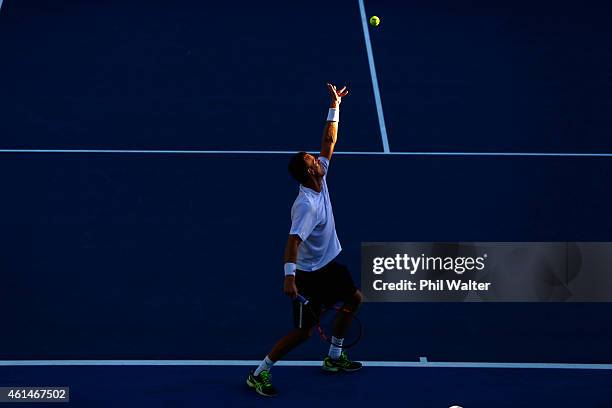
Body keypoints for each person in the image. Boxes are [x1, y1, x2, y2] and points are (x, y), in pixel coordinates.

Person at [246, 83, 363, 397]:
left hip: (330, 264)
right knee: (303, 333)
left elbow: (328, 140)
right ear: (309, 172)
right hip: (311, 275)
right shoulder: (306, 206)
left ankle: (335, 357)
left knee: (354, 299)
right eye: (313, 160)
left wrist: (335, 105)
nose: (319, 159)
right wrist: (289, 278)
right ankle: (259, 373)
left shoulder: (319, 177)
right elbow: (293, 241)